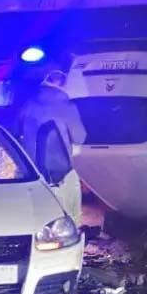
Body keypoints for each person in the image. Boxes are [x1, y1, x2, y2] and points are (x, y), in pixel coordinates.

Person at [18, 69, 88, 224]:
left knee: (38, 218)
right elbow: (80, 137)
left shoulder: (28, 105)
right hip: (60, 171)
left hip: (32, 171)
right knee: (69, 217)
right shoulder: (67, 106)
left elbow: (18, 132)